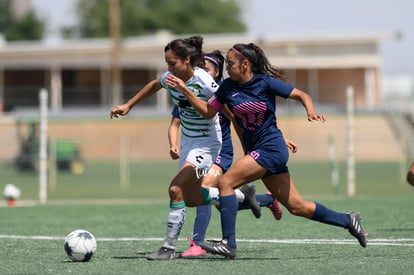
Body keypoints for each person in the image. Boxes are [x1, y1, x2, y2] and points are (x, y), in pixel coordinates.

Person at [170, 42, 368, 259]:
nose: (228, 68)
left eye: (232, 64)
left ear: (245, 64)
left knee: (226, 182)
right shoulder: (227, 88)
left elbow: (302, 95)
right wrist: (186, 93)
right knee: (297, 207)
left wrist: (310, 112)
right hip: (259, 151)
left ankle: (229, 244)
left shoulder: (265, 83)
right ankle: (348, 221)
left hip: (272, 147)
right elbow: (209, 113)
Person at [110, 36, 257, 261]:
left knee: (175, 189)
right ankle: (239, 195)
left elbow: (221, 111)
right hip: (189, 143)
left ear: (187, 60)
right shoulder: (171, 77)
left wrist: (249, 143)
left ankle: (168, 248)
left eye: (172, 63)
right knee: (191, 197)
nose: (168, 69)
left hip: (207, 144)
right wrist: (128, 105)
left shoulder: (205, 82)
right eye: (167, 64)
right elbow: (153, 85)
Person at [168, 50, 295, 257]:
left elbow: (243, 121)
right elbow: (175, 121)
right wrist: (173, 143)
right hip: (200, 152)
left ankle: (197, 243)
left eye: (206, 68)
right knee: (218, 201)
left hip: (220, 153)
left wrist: (278, 139)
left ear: (216, 72)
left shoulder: (224, 94)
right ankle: (265, 199)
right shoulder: (192, 94)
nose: (201, 72)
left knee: (205, 186)